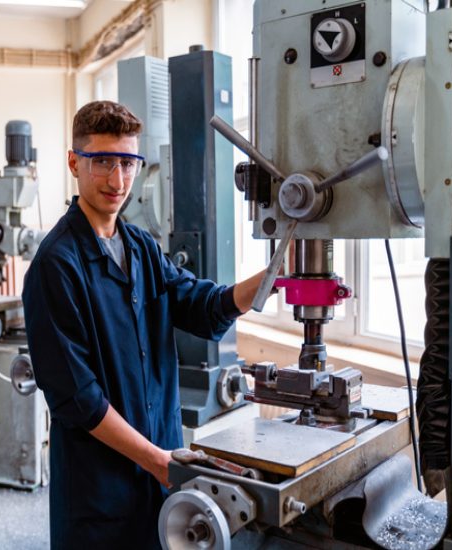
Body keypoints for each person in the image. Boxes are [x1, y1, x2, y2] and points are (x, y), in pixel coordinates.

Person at [22, 100, 269, 549]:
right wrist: (159, 462)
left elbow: (202, 305)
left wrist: (273, 276)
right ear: (75, 162)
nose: (117, 181)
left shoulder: (141, 247)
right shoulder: (55, 266)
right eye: (102, 163)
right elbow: (79, 398)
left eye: (127, 163)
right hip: (100, 489)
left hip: (159, 473)